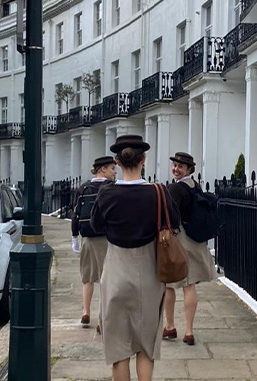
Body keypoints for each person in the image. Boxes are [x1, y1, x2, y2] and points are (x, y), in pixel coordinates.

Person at [91, 135, 180, 381]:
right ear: (143, 160)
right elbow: (175, 223)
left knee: (119, 350)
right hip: (150, 274)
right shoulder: (158, 192)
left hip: (116, 272)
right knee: (145, 346)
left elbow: (97, 226)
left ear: (118, 163)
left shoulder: (106, 195)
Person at [162, 152, 217, 346]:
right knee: (190, 285)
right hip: (195, 241)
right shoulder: (195, 186)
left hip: (179, 240)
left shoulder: (175, 188)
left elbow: (168, 216)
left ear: (189, 169)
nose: (176, 169)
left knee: (169, 285)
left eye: (180, 167)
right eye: (175, 165)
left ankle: (170, 327)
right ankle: (189, 331)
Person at [71, 156, 116, 331]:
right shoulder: (111, 189)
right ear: (102, 169)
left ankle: (85, 310)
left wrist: (74, 236)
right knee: (106, 279)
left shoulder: (84, 188)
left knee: (88, 277)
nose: (114, 172)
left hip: (88, 238)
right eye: (112, 168)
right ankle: (101, 317)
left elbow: (76, 213)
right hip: (106, 238)